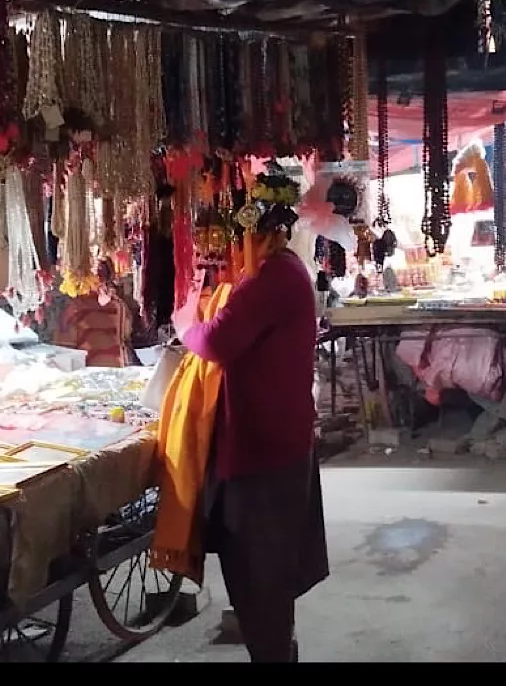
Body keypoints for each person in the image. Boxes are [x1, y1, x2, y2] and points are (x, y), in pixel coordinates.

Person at [159, 169, 328, 662]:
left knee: (261, 579)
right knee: (265, 579)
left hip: (263, 452)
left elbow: (214, 340)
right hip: (273, 445)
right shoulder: (282, 272)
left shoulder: (274, 278)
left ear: (257, 231)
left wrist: (188, 322)